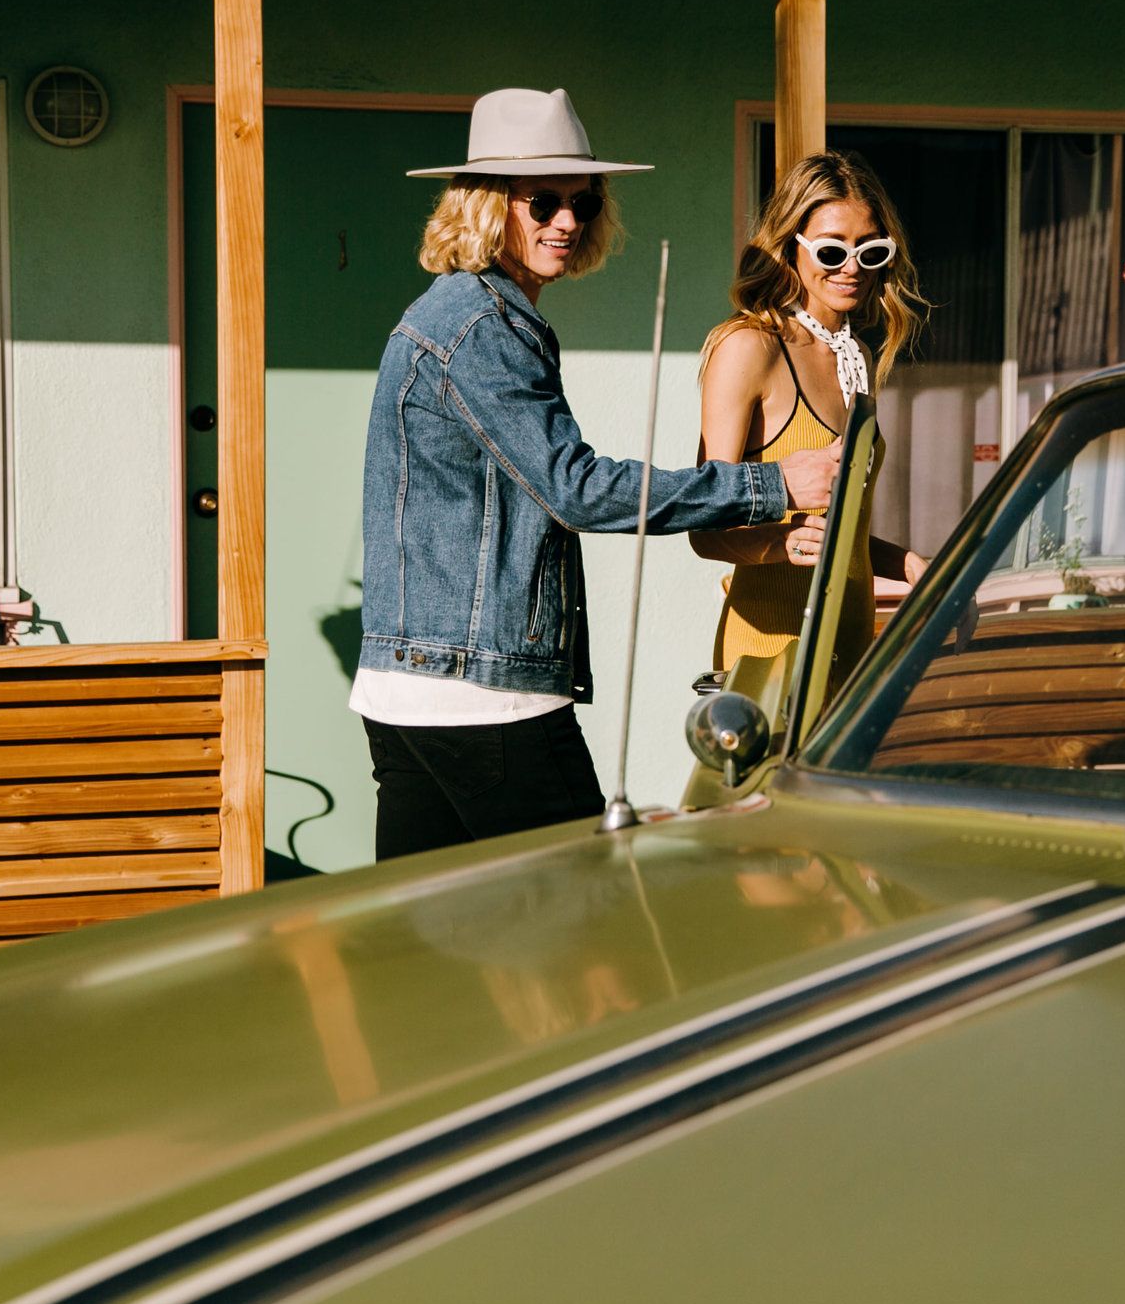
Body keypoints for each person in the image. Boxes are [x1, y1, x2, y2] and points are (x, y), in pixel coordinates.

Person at [354, 88, 839, 861]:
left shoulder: (461, 313)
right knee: (591, 919)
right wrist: (775, 484)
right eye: (543, 200)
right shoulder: (481, 327)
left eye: (584, 200)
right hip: (484, 696)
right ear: (486, 204)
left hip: (413, 688)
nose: (568, 220)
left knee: (429, 946)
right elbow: (577, 488)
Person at [692, 150, 930, 692]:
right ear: (789, 250)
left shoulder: (856, 359)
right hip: (770, 656)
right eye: (830, 249)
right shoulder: (750, 347)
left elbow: (837, 534)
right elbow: (704, 529)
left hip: (849, 648)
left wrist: (911, 563)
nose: (851, 267)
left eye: (869, 250)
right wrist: (782, 544)